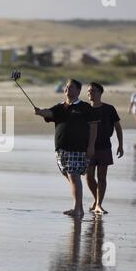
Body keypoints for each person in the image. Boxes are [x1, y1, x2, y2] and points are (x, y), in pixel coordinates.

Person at [34, 78, 99, 217]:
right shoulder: (60, 107)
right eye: (66, 87)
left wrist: (91, 146)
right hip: (61, 150)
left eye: (70, 87)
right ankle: (78, 207)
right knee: (71, 177)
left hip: (78, 149)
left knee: (74, 176)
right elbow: (49, 113)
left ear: (78, 91)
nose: (67, 90)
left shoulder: (85, 108)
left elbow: (94, 126)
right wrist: (40, 112)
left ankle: (77, 209)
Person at [86, 82, 124, 215]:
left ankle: (98, 204)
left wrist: (120, 145)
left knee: (101, 177)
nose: (90, 93)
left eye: (93, 91)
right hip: (88, 148)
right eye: (89, 91)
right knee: (89, 176)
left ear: (100, 93)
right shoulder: (85, 109)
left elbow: (118, 127)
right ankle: (97, 200)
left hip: (104, 147)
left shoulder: (109, 109)